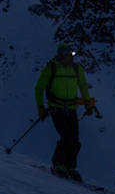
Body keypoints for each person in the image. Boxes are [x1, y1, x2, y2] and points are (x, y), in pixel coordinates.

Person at [34, 43, 94, 181]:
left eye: (71, 54)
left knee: (75, 139)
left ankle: (70, 167)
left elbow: (83, 86)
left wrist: (88, 105)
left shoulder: (76, 68)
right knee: (66, 136)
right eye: (67, 54)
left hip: (71, 108)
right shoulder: (51, 68)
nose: (69, 57)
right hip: (56, 107)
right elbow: (39, 88)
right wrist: (41, 107)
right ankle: (58, 165)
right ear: (60, 54)